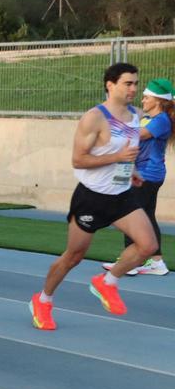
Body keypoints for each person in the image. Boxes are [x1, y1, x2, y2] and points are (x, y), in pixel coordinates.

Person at [30, 63, 156, 328]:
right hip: (91, 197)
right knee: (73, 257)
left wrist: (130, 169)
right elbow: (78, 160)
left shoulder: (134, 115)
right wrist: (118, 157)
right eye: (128, 83)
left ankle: (107, 282)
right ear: (110, 85)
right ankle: (43, 300)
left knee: (148, 246)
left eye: (136, 83)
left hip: (121, 195)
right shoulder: (94, 118)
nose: (134, 88)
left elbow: (127, 150)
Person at [105, 78, 171, 276]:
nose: (142, 100)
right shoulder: (149, 119)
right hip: (143, 174)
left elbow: (136, 135)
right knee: (147, 216)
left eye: (146, 97)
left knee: (129, 215)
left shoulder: (161, 121)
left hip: (147, 175)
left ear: (158, 101)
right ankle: (157, 262)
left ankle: (130, 262)